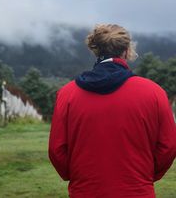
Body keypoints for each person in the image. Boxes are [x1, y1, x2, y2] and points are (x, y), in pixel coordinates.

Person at [49, 24, 176, 198]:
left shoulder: (67, 94)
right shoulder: (155, 93)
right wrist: (144, 176)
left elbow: (57, 150)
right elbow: (168, 146)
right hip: (137, 191)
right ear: (126, 50)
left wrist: (80, 177)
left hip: (85, 191)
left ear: (96, 50)